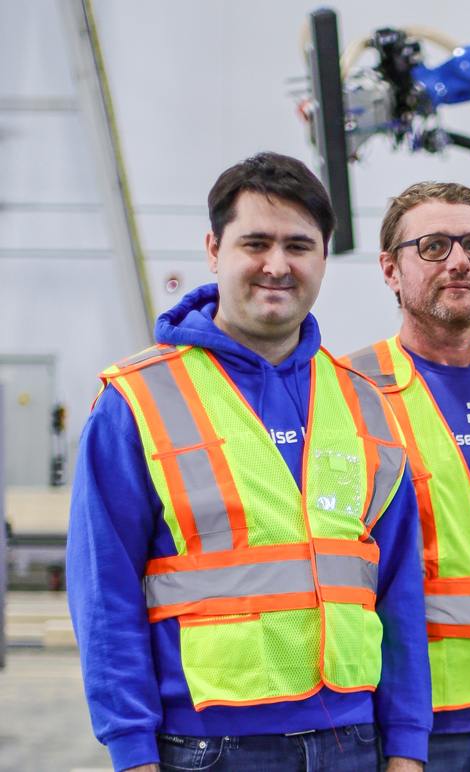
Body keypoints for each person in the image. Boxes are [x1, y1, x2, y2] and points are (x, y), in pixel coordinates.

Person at [66, 153, 430, 772]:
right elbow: (105, 593)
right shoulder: (138, 401)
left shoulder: (365, 403)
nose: (277, 265)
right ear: (214, 249)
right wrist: (131, 750)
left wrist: (406, 745)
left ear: (323, 256)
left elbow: (398, 590)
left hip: (353, 743)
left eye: (299, 245)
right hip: (207, 749)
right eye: (255, 242)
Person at [341, 182, 470, 771]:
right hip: (399, 721)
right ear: (391, 270)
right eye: (433, 246)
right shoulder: (348, 391)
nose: (459, 260)